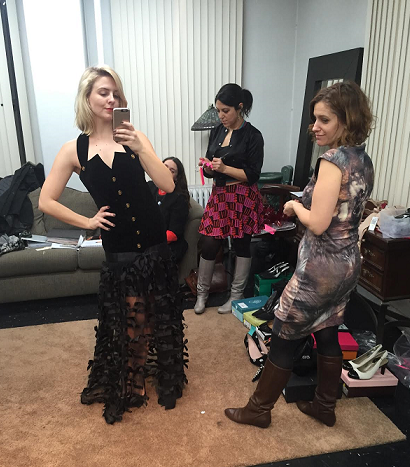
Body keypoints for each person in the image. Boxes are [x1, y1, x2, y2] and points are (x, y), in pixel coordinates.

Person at [39, 65, 187, 424]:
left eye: (115, 93)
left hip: (152, 237)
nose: (111, 99)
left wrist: (140, 148)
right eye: (103, 92)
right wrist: (88, 222)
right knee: (131, 315)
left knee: (153, 312)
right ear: (86, 98)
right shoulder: (73, 150)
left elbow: (168, 184)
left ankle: (149, 375)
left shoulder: (134, 137)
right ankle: (133, 377)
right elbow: (46, 200)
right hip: (118, 243)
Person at [225, 81, 374, 429]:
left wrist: (294, 206)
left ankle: (258, 410)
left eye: (324, 120)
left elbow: (318, 223)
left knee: (282, 333)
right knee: (327, 329)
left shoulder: (332, 161)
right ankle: (324, 406)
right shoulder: (361, 158)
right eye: (314, 119)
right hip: (347, 263)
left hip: (320, 268)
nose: (314, 127)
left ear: (347, 120)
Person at [195, 83, 264, 315]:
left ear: (239, 107)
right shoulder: (217, 130)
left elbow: (253, 175)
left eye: (226, 111)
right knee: (209, 243)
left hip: (242, 196)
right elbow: (210, 165)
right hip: (219, 195)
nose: (221, 116)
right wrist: (208, 168)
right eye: (218, 111)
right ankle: (202, 293)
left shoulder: (253, 136)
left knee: (241, 245)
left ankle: (236, 295)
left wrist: (224, 168)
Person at [148, 156, 190, 264]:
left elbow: (173, 234)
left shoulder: (179, 198)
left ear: (176, 178)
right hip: (147, 241)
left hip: (167, 246)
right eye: (165, 167)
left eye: (172, 171)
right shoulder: (149, 186)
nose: (166, 171)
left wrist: (148, 241)